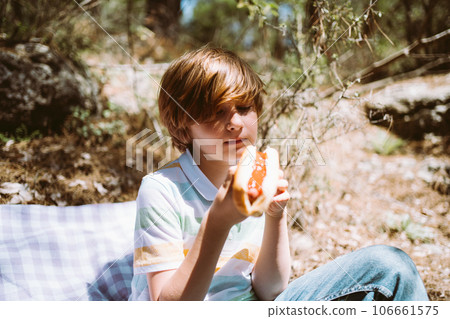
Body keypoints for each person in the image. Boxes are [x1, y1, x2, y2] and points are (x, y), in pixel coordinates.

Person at [128, 46, 429, 301]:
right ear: (183, 123)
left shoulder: (253, 176)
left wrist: (275, 215)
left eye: (244, 107)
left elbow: (270, 289)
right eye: (216, 110)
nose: (234, 122)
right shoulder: (162, 189)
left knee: (390, 265)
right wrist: (217, 223)